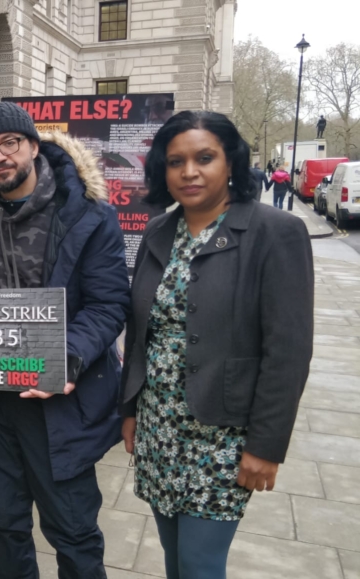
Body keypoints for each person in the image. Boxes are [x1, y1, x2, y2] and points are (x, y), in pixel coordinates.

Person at [0, 102, 130, 578]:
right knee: (4, 524)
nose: (0, 156)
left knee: (73, 529)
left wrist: (64, 359)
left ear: (34, 147)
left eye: (10, 143)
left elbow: (108, 305)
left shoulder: (88, 215)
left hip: (58, 401)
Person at [120, 111, 313, 579]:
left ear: (231, 163)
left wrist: (266, 445)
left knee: (200, 564)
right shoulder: (158, 231)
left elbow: (288, 351)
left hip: (223, 436)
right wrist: (129, 411)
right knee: (173, 558)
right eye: (175, 161)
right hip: (160, 427)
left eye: (204, 158)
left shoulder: (274, 232)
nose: (189, 172)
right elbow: (141, 327)